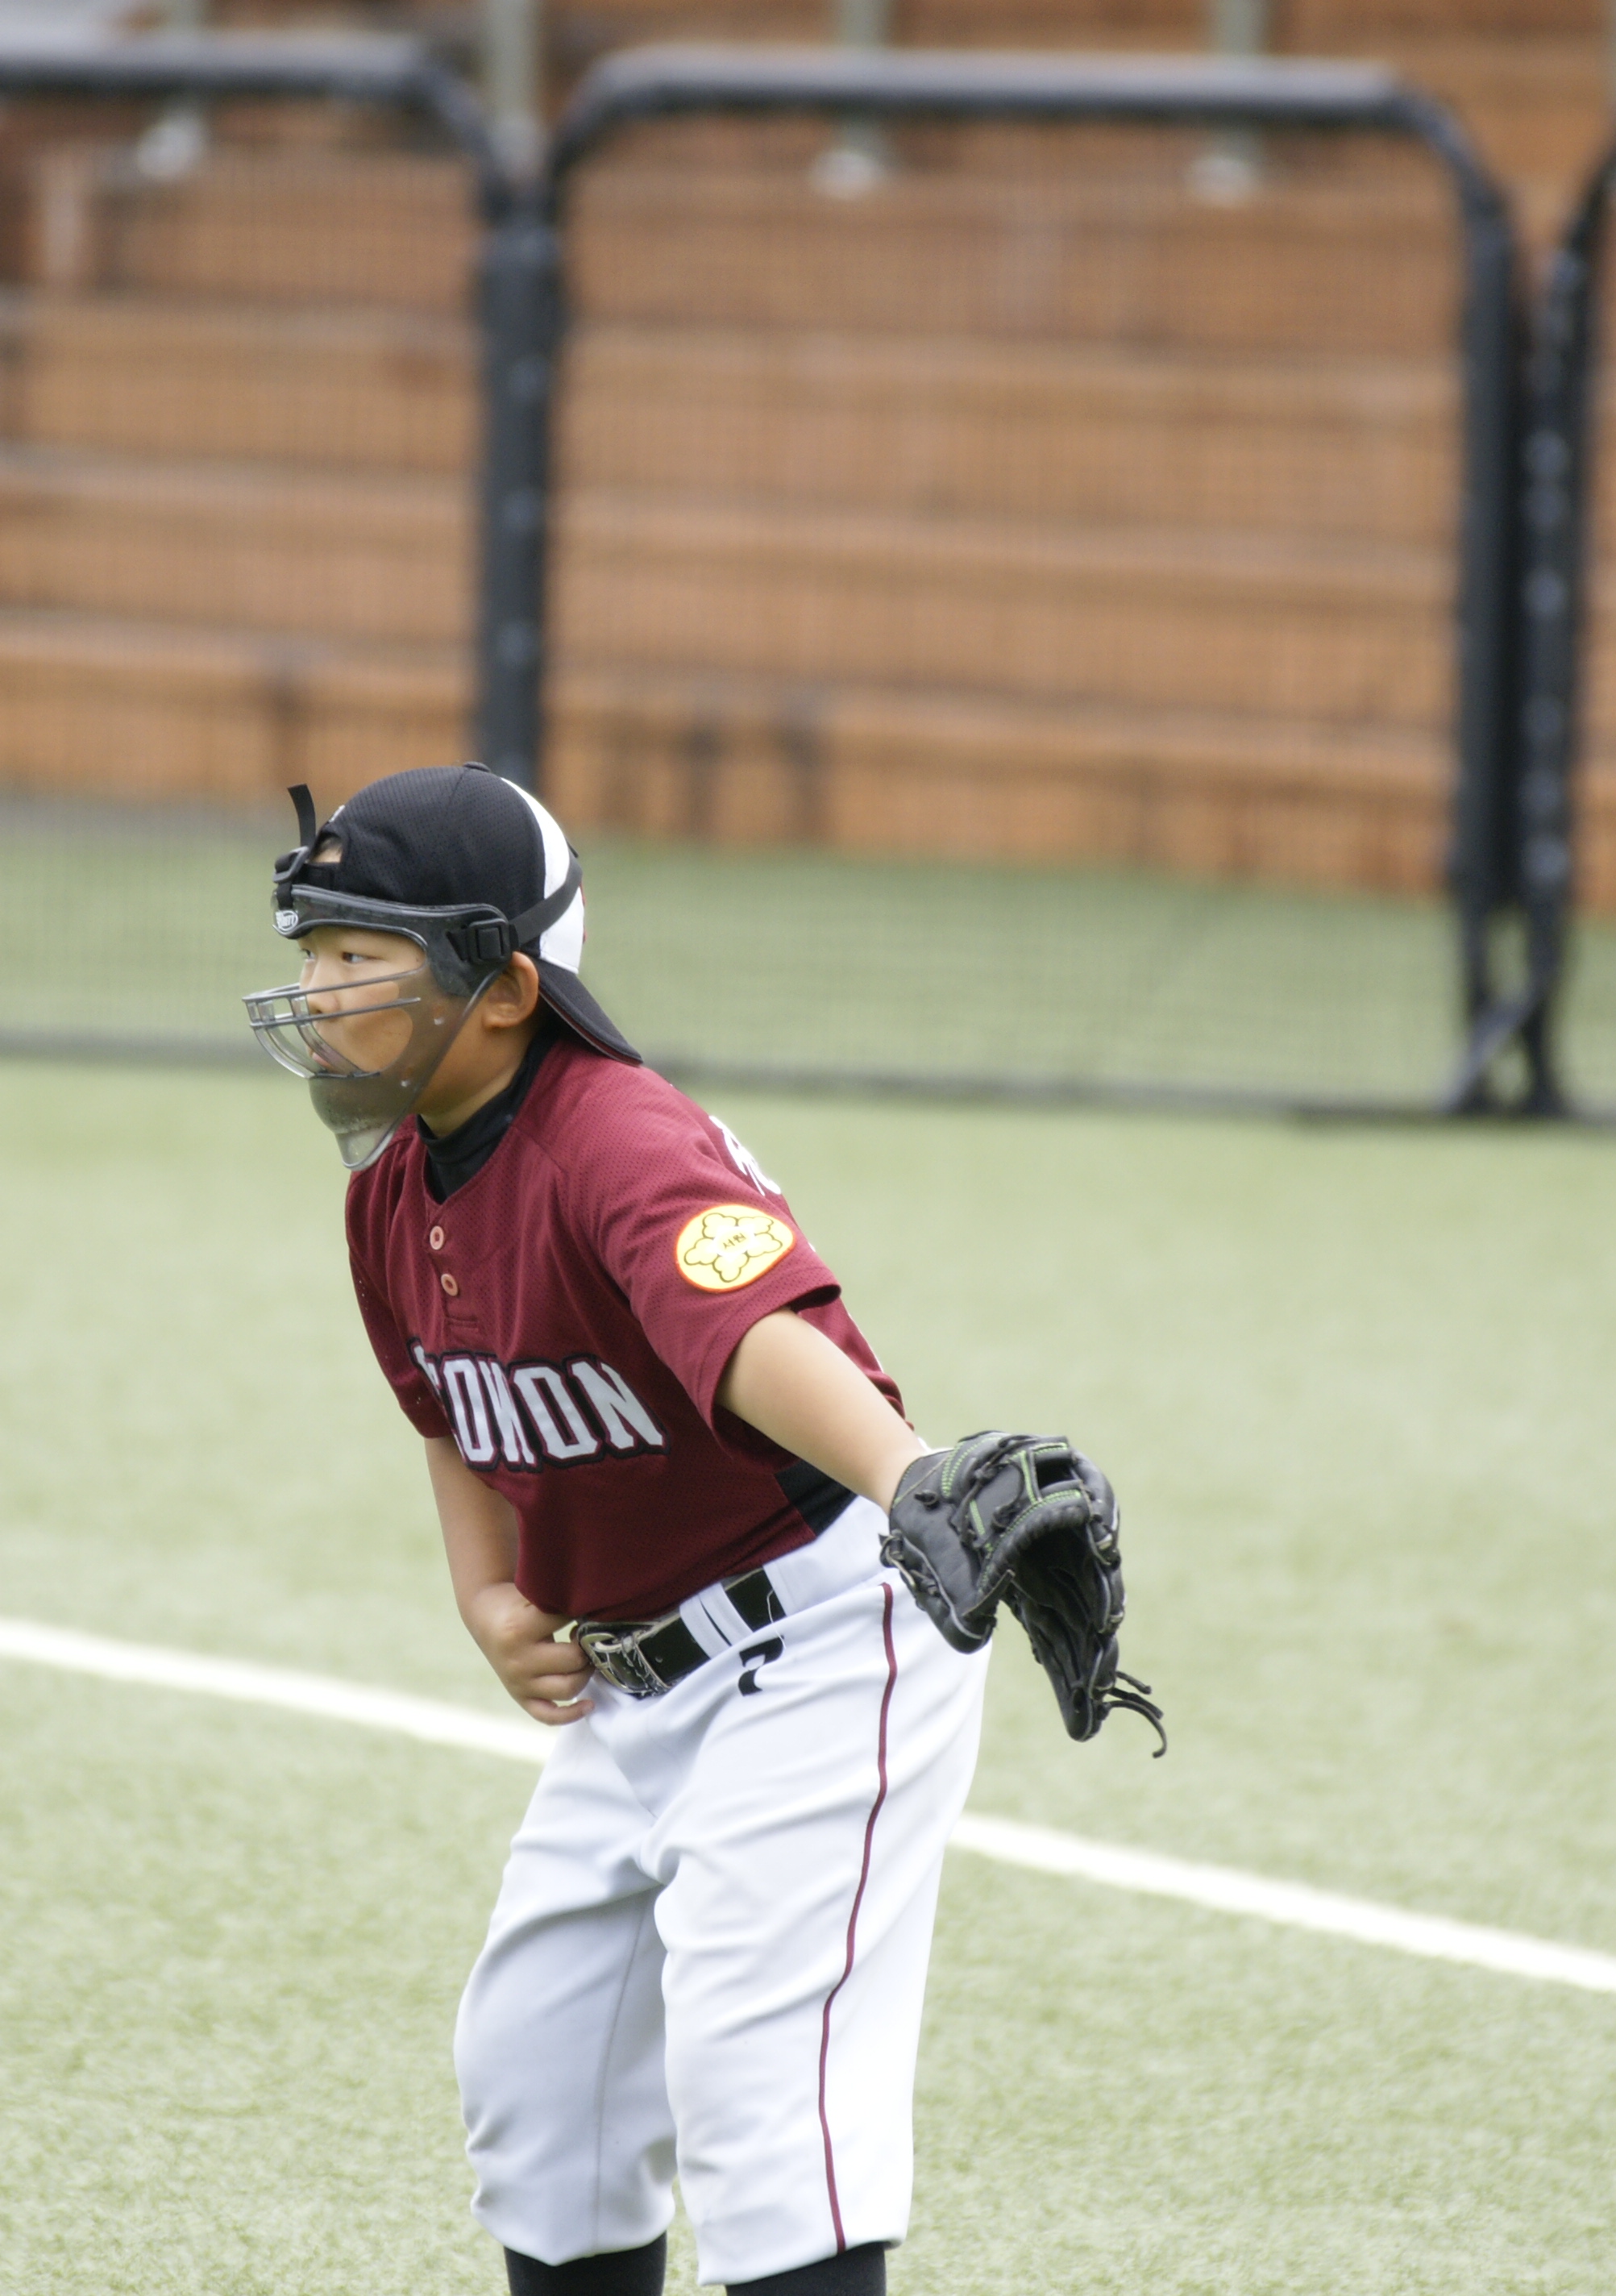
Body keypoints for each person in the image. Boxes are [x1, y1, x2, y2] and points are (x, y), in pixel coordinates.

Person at [246, 762, 986, 2295]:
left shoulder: (616, 1138)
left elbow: (754, 1334)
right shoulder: (391, 1189)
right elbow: (447, 1406)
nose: (317, 993)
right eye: (311, 955)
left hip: (819, 1640)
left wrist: (911, 1477)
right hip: (635, 1681)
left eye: (359, 956)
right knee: (541, 2081)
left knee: (760, 2089)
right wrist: (485, 1594)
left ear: (505, 987)